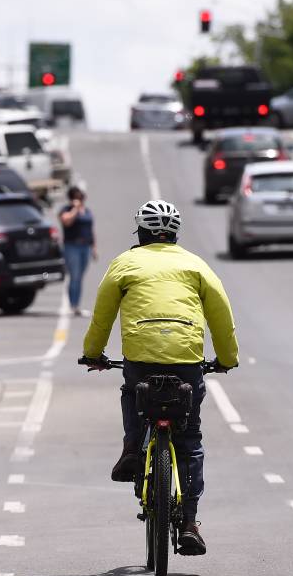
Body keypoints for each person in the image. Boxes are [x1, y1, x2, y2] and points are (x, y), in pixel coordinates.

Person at [81, 199, 238, 556]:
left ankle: (134, 449)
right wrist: (227, 359)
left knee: (132, 394)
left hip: (141, 357)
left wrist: (93, 354)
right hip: (186, 358)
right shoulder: (195, 265)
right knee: (191, 438)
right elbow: (221, 314)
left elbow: (102, 315)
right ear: (175, 234)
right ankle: (189, 522)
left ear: (140, 231)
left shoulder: (124, 263)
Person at [59, 186, 96, 316]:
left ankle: (76, 305)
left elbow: (91, 230)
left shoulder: (87, 211)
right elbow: (66, 222)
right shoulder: (66, 210)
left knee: (80, 277)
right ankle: (72, 305)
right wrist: (75, 209)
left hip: (85, 246)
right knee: (74, 276)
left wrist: (94, 247)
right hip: (72, 247)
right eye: (76, 198)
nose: (79, 200)